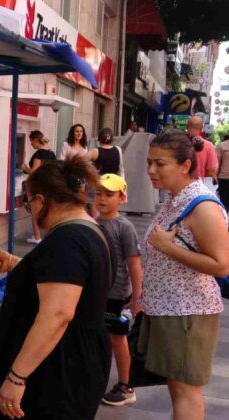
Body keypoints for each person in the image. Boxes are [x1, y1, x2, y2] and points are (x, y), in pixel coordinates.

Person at [0, 157, 112, 420]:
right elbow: (67, 280)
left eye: (28, 203)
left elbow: (58, 315)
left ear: (41, 199)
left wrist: (16, 377)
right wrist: (19, 264)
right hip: (77, 360)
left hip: (55, 372)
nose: (30, 210)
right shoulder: (90, 230)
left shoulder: (67, 241)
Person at [142, 131, 229, 420]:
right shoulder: (175, 198)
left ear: (185, 166)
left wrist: (168, 248)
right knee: (177, 387)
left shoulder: (202, 205)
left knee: (186, 393)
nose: (152, 170)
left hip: (188, 312)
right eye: (149, 162)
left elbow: (221, 265)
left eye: (160, 163)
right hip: (169, 309)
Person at [95, 174, 143, 407]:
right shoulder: (93, 221)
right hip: (96, 293)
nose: (102, 198)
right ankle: (95, 379)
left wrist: (136, 296)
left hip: (116, 296)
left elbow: (134, 262)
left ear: (122, 197)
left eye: (109, 194)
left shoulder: (124, 227)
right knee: (97, 336)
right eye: (99, 193)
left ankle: (126, 386)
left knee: (118, 338)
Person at [21, 130, 56, 244]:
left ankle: (37, 238)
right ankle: (50, 236)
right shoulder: (51, 153)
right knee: (48, 212)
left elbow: (34, 171)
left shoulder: (39, 154)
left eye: (31, 141)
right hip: (49, 186)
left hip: (38, 186)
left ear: (36, 140)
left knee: (36, 213)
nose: (31, 144)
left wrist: (25, 168)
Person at [186, 115, 219, 183]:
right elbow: (212, 171)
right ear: (202, 128)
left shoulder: (177, 142)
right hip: (197, 185)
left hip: (176, 187)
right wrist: (200, 173)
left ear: (187, 126)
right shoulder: (208, 145)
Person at [215, 134, 229, 208]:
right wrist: (215, 177)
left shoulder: (221, 146)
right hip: (224, 180)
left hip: (224, 179)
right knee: (224, 204)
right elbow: (217, 163)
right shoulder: (222, 146)